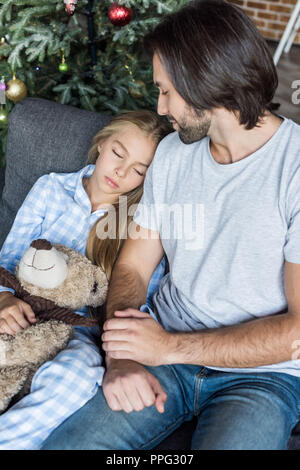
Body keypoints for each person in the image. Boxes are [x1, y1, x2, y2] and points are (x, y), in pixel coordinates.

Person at [41, 0, 300, 450]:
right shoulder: (175, 156)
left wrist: (167, 348)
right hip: (162, 351)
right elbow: (134, 269)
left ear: (207, 82)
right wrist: (121, 355)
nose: (161, 108)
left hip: (263, 378)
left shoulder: (294, 169)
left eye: (166, 91)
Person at [0, 110, 171, 449]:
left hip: (77, 331)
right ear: (101, 144)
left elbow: (144, 299)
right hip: (21, 309)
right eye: (118, 153)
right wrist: (4, 297)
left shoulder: (141, 225)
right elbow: (9, 257)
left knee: (80, 377)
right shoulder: (51, 188)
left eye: (139, 170)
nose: (121, 172)